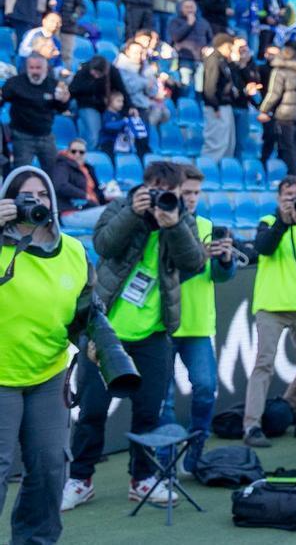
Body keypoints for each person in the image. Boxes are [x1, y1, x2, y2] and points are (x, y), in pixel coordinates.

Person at [64, 161, 207, 510]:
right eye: (155, 190)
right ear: (144, 186)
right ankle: (80, 480)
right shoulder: (121, 207)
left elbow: (195, 264)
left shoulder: (181, 218)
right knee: (93, 409)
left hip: (154, 334)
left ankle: (141, 480)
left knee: (148, 412)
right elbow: (104, 245)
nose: (161, 198)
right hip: (106, 330)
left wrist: (172, 225)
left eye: (168, 193)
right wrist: (133, 213)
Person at [0, 166, 117, 542]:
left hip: (47, 375)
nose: (36, 203)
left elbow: (85, 309)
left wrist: (94, 339)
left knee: (51, 467)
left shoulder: (72, 250)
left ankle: (35, 539)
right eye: (26, 196)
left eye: (43, 195)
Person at [158, 164, 236, 472]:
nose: (191, 198)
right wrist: (198, 256)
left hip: (198, 324)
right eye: (186, 192)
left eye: (195, 193)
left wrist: (225, 260)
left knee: (205, 389)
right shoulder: (161, 223)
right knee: (163, 401)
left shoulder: (206, 224)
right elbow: (165, 276)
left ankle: (193, 453)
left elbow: (219, 276)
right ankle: (164, 464)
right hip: (162, 324)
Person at [243, 175, 296, 447]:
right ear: (279, 198)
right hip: (271, 305)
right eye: (289, 195)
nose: (294, 199)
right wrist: (283, 219)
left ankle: (292, 406)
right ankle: (252, 425)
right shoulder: (268, 223)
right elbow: (263, 248)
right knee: (263, 364)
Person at [0, 54, 67, 171]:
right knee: (21, 172)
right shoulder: (15, 83)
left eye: (38, 68)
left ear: (46, 68)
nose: (35, 71)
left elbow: (61, 108)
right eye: (32, 68)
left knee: (54, 172)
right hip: (22, 137)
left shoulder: (54, 85)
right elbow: (2, 99)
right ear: (27, 68)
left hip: (46, 136)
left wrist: (64, 100)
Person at [259, 45, 296, 175]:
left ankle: (293, 175)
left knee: (286, 146)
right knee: (294, 144)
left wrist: (263, 109)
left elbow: (274, 94)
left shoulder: (279, 71)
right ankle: (292, 172)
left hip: (284, 113)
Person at [70, 55, 129, 149]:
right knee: (94, 134)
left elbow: (122, 89)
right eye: (94, 73)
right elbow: (72, 90)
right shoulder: (84, 70)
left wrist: (130, 107)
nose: (96, 76)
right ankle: (85, 158)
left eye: (99, 74)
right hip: (86, 104)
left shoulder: (112, 71)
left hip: (104, 105)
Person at [52, 137, 109, 231]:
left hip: (90, 209)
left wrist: (106, 199)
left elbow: (97, 192)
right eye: (73, 151)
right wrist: (84, 195)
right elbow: (60, 185)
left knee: (118, 206)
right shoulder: (62, 166)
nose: (77, 154)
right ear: (67, 152)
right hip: (71, 213)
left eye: (81, 152)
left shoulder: (88, 168)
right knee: (113, 213)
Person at [200, 33, 240, 159]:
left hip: (224, 105)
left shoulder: (223, 61)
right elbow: (209, 87)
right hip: (217, 107)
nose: (231, 51)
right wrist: (215, 107)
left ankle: (222, 172)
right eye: (230, 47)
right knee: (216, 144)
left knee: (228, 143)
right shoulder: (214, 60)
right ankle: (207, 170)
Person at [166, 0, 212, 94]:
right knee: (185, 89)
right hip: (184, 60)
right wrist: (189, 24)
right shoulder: (175, 21)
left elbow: (210, 39)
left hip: (200, 60)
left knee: (199, 90)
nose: (190, 9)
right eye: (187, 7)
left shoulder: (203, 22)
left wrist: (208, 47)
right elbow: (175, 37)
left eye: (192, 7)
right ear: (181, 8)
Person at [44, 0, 83, 68]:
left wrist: (73, 17)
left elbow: (81, 6)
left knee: (67, 55)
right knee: (49, 53)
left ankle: (65, 81)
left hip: (68, 26)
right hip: (50, 26)